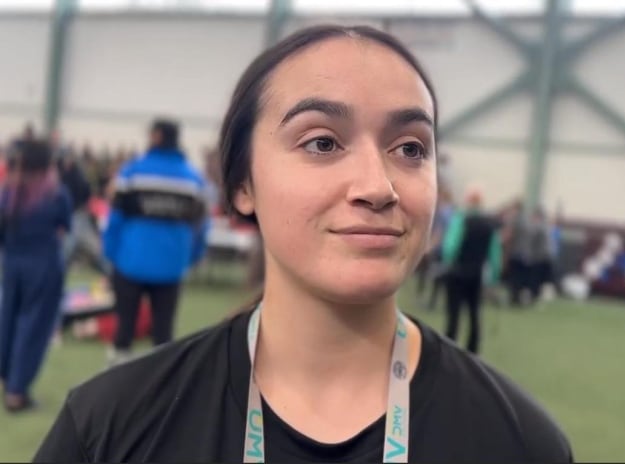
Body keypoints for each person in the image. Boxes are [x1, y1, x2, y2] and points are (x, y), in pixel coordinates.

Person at [34, 25, 572, 463]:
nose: (377, 187)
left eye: (410, 149)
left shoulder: (521, 443)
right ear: (242, 184)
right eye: (322, 142)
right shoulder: (108, 430)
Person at [101, 119, 209, 365]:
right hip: (171, 266)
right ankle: (163, 385)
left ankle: (116, 379)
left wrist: (110, 253)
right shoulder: (193, 180)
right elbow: (201, 226)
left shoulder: (132, 173)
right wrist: (191, 256)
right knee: (163, 330)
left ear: (157, 136)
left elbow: (115, 219)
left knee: (124, 325)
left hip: (130, 262)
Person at [0, 139, 72, 412]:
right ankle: (17, 392)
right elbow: (63, 229)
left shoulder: (6, 192)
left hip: (12, 264)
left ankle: (6, 377)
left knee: (6, 321)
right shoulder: (54, 193)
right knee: (34, 326)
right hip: (43, 264)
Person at [441, 186, 502, 354]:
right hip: (476, 275)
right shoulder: (489, 225)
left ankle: (450, 346)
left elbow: (450, 247)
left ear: (468, 201)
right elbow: (495, 254)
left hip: (457, 272)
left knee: (454, 313)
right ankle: (473, 349)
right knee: (474, 313)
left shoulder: (460, 220)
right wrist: (495, 277)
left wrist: (448, 261)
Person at [53, 131, 111, 276]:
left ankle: (111, 273)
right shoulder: (65, 174)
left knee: (88, 248)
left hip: (77, 215)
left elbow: (86, 194)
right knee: (69, 250)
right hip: (72, 216)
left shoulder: (73, 175)